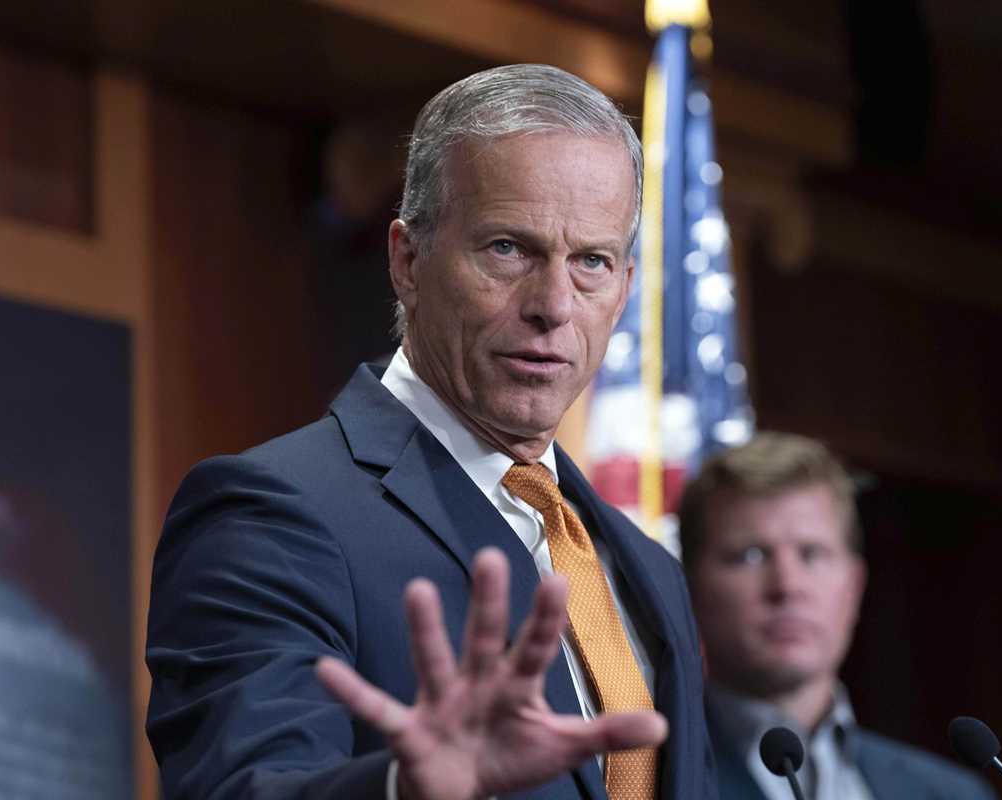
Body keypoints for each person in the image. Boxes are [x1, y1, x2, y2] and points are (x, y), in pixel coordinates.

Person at [146, 64, 716, 800]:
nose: (553, 305)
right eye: (508, 248)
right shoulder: (272, 515)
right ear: (408, 261)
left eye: (591, 262)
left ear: (626, 288)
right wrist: (401, 790)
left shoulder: (649, 568)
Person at [678, 432, 994, 800]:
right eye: (750, 555)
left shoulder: (954, 794)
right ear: (689, 589)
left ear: (854, 586)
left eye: (812, 554)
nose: (788, 586)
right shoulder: (647, 778)